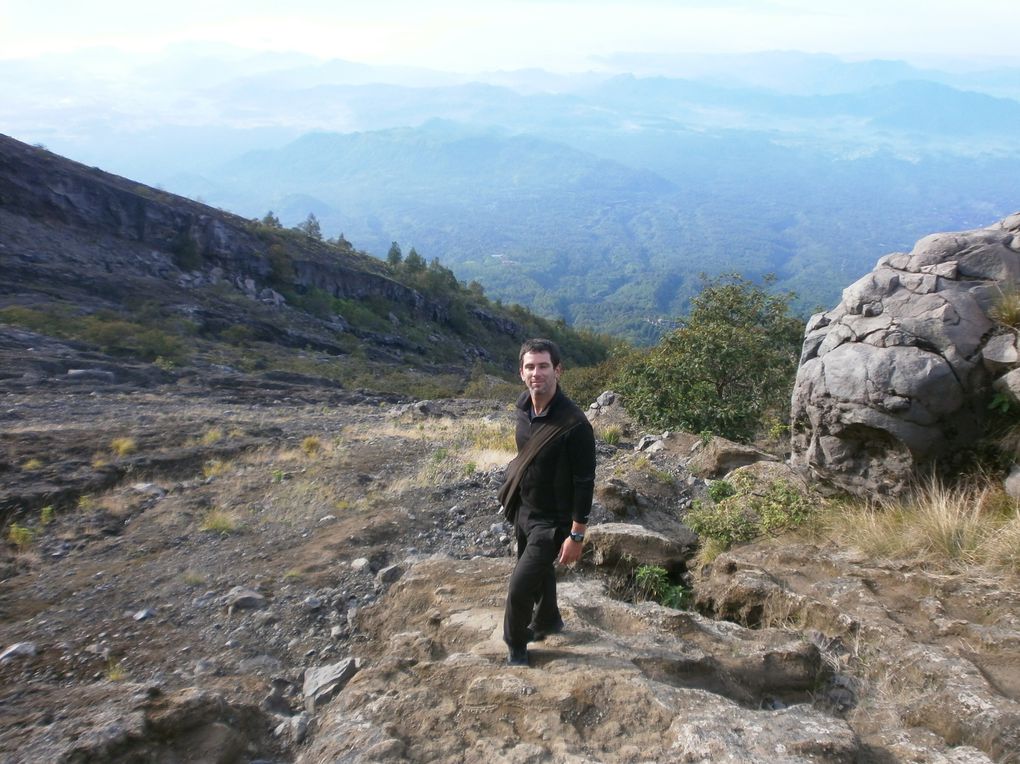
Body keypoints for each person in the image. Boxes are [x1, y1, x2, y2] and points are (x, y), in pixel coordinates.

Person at [501, 338, 596, 667]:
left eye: (543, 366)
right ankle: (549, 620)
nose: (536, 373)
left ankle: (516, 644)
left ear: (558, 370)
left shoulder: (575, 425)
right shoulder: (523, 407)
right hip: (523, 508)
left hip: (552, 520)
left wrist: (577, 534)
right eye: (530, 367)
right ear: (521, 373)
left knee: (520, 585)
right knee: (540, 573)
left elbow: (585, 482)